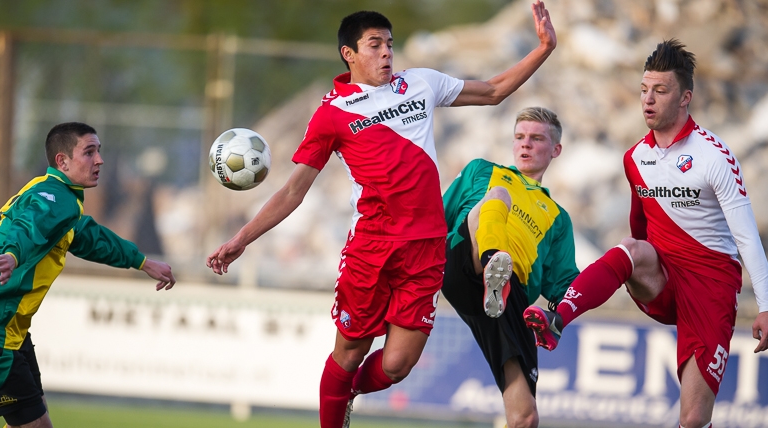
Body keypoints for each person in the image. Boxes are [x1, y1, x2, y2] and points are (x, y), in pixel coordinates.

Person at [206, 2, 556, 427]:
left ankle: (344, 393)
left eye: (390, 43)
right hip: (372, 247)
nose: (387, 52)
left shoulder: (420, 84)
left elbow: (494, 91)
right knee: (349, 352)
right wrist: (241, 239)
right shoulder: (332, 114)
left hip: (426, 248)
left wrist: (543, 49)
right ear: (349, 54)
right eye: (375, 45)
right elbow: (294, 190)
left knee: (396, 366)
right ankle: (334, 409)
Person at [523, 39, 768, 428]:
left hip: (709, 288)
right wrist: (632, 270)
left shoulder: (715, 156)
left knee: (693, 418)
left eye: (660, 90)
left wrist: (766, 306)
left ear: (685, 97)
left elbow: (747, 238)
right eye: (643, 89)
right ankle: (558, 319)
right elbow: (639, 228)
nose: (648, 100)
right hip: (663, 278)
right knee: (630, 248)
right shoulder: (635, 157)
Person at [0, 122, 176, 428]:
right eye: (89, 152)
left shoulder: (58, 198)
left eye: (99, 151)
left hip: (11, 329)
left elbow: (90, 237)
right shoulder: (55, 199)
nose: (99, 160)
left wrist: (141, 261)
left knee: (32, 416)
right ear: (62, 161)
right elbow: (29, 226)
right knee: (35, 424)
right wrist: (12, 254)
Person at [441, 107, 577, 428]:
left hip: (508, 298)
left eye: (537, 138)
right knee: (498, 195)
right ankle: (493, 261)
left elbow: (566, 287)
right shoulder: (482, 170)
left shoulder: (558, 218)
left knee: (525, 417)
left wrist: (617, 276)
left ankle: (497, 280)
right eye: (520, 137)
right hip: (465, 261)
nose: (525, 144)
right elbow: (438, 218)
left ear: (556, 149)